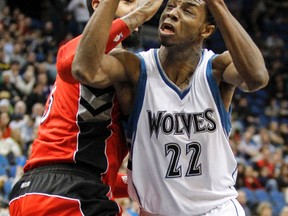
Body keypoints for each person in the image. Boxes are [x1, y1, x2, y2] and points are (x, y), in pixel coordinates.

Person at [72, 0, 269, 215]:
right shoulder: (135, 68)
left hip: (216, 209)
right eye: (170, 6)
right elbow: (84, 69)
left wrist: (217, 5)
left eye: (187, 10)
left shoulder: (216, 69)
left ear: (206, 30)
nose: (173, 13)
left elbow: (256, 77)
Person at [8, 0, 163, 215]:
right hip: (68, 192)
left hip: (49, 191)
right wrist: (140, 15)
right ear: (99, 4)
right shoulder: (84, 53)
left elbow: (101, 176)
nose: (136, 8)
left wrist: (146, 182)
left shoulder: (121, 71)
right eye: (128, 2)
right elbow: (70, 63)